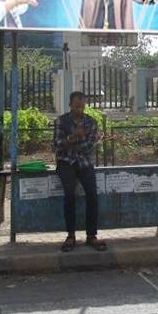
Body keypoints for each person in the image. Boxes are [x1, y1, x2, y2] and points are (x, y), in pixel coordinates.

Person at [54, 91, 106, 252]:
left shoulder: (91, 122)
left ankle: (91, 235)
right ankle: (71, 236)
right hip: (66, 163)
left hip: (84, 162)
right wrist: (73, 137)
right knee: (69, 194)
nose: (79, 109)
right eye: (77, 106)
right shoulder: (61, 122)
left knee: (92, 193)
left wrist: (70, 142)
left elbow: (89, 146)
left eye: (82, 106)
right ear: (70, 104)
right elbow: (56, 144)